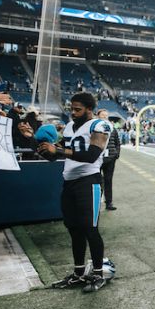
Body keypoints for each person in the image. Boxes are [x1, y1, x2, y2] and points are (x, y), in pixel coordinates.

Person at [37, 92, 114, 293]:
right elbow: (54, 157)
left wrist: (59, 151)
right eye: (71, 108)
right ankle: (79, 273)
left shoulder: (100, 125)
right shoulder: (70, 127)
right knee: (74, 229)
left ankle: (98, 273)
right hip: (69, 182)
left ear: (89, 109)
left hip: (89, 182)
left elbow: (91, 155)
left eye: (78, 109)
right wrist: (38, 144)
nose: (73, 112)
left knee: (90, 228)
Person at [97, 110, 122, 211]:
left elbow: (117, 142)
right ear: (97, 116)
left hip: (110, 159)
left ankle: (109, 203)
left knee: (108, 181)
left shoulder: (112, 129)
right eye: (102, 115)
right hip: (97, 159)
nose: (105, 117)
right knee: (97, 181)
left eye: (106, 116)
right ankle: (96, 203)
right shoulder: (94, 127)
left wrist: (116, 154)